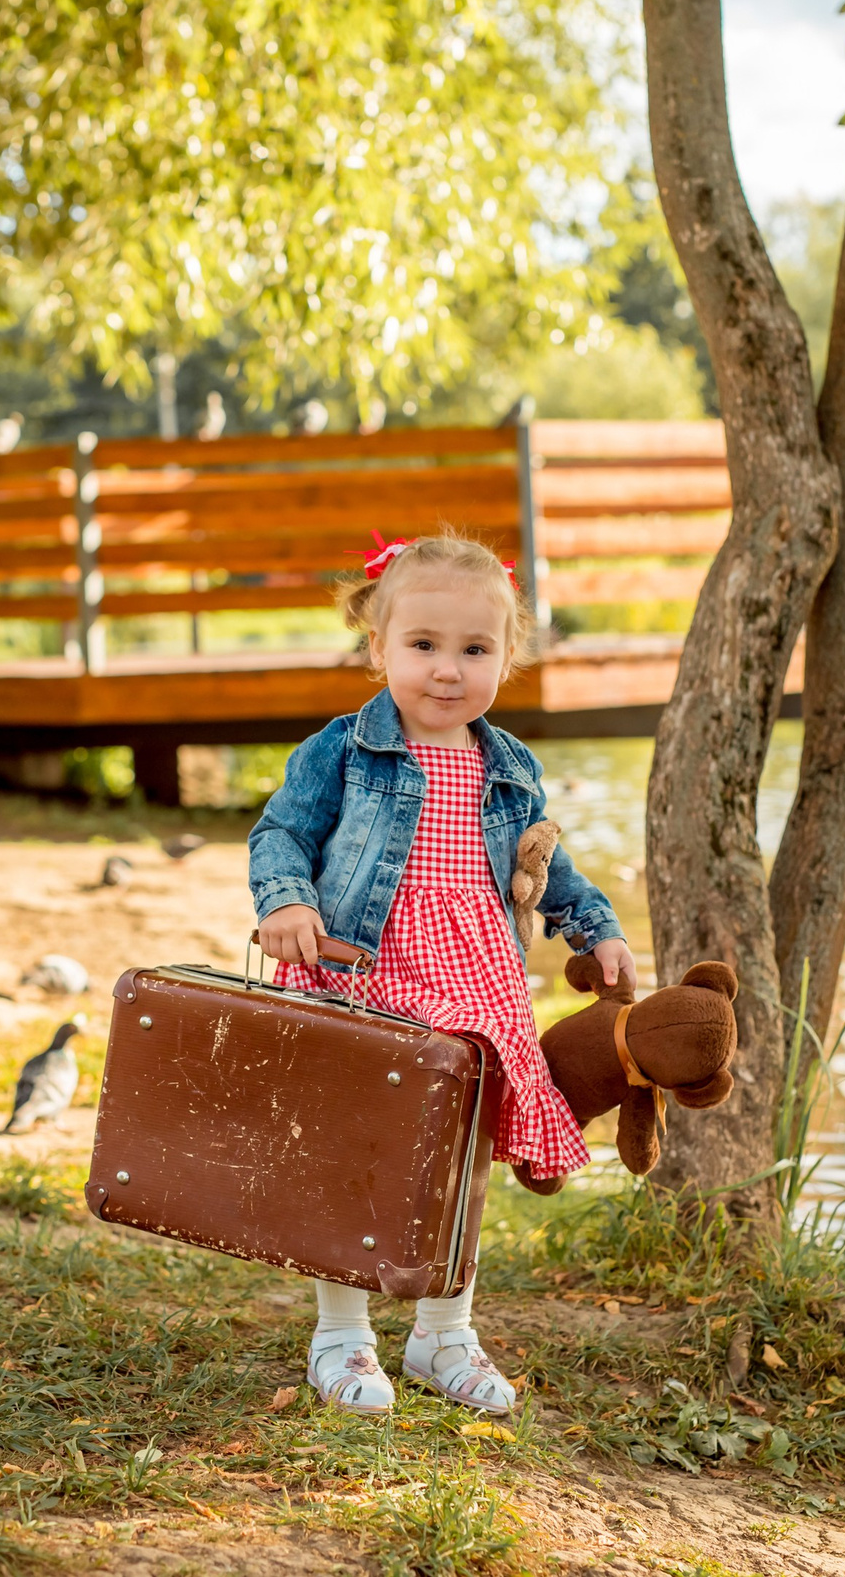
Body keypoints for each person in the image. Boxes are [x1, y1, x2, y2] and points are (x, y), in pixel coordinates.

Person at [249, 529, 635, 1417]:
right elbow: (280, 834)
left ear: (509, 656)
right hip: (362, 973)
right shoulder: (341, 751)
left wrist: (597, 928)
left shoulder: (509, 769)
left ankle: (442, 1332)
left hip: (477, 986)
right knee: (353, 1147)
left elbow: (551, 867)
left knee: (459, 1159)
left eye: (475, 649)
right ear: (378, 646)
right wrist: (285, 902)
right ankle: (342, 1338)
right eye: (423, 645)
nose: (447, 670)